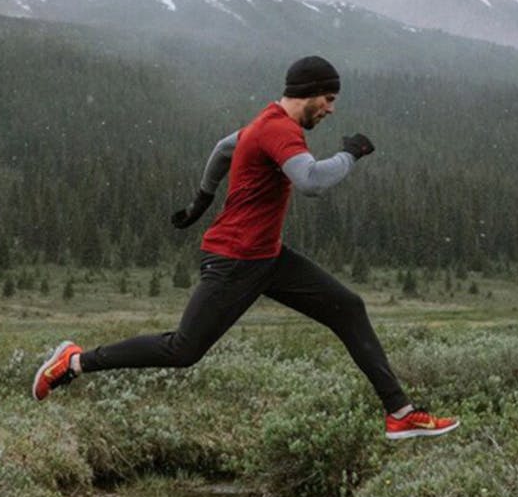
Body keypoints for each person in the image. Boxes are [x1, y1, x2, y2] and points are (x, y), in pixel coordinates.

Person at [32, 55, 458, 441]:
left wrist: (201, 201)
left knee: (347, 307)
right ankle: (74, 362)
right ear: (308, 94)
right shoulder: (279, 130)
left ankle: (400, 413)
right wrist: (350, 154)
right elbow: (311, 182)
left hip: (266, 257)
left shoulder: (263, 123)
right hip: (235, 260)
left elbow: (223, 148)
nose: (331, 109)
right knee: (182, 350)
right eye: (328, 99)